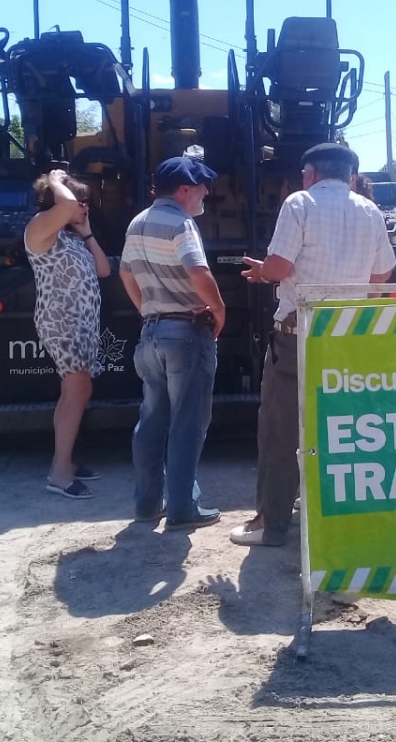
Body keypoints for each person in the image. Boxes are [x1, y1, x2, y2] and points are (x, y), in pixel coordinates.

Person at [230, 143, 396, 547]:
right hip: (344, 338)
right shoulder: (370, 211)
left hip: (296, 335)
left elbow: (280, 267)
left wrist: (261, 272)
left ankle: (271, 524)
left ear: (309, 174)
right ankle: (328, 513)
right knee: (337, 426)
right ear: (351, 177)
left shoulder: (299, 203)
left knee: (280, 429)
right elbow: (383, 275)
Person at [119, 156, 226, 530]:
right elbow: (199, 272)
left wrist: (149, 311)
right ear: (183, 189)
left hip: (151, 334)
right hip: (186, 333)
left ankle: (147, 504)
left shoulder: (138, 222)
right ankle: (183, 508)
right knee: (188, 422)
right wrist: (219, 308)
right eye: (201, 186)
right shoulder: (182, 224)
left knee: (151, 421)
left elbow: (126, 273)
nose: (206, 193)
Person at [24, 169, 111, 499]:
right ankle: (59, 473)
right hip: (61, 323)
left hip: (81, 323)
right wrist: (55, 179)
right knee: (76, 391)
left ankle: (67, 461)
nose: (85, 206)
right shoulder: (40, 228)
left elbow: (103, 269)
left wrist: (87, 232)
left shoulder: (70, 237)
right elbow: (65, 205)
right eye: (81, 201)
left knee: (75, 392)